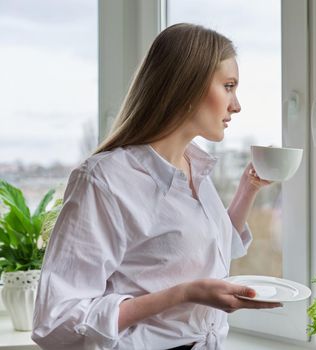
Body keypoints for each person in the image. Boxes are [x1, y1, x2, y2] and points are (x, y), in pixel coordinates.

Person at [31, 23, 281, 350]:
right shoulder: (104, 180)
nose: (236, 105)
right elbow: (56, 320)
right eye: (229, 86)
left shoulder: (196, 168)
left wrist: (248, 188)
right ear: (187, 86)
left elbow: (211, 252)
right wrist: (184, 294)